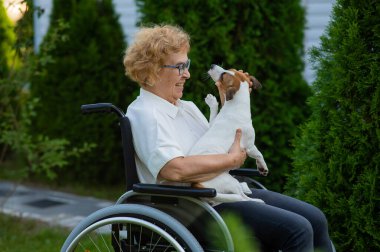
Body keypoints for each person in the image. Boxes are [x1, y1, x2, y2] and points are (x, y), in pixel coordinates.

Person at [123, 24, 333, 252]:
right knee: (298, 229)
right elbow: (175, 170)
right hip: (190, 207)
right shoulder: (147, 114)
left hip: (218, 192)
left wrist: (231, 103)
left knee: (316, 218)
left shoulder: (187, 108)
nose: (188, 74)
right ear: (153, 70)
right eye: (180, 67)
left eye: (187, 65)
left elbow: (218, 143)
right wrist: (232, 161)